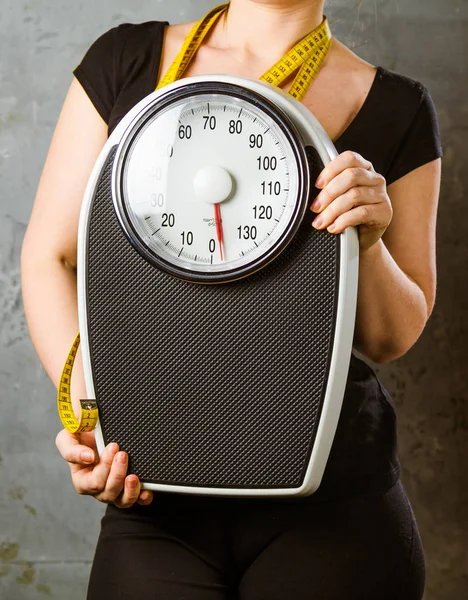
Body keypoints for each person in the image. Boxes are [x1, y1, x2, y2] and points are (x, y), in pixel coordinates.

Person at [20, 1, 442, 598]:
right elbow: (50, 260)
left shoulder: (397, 106)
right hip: (157, 490)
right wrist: (96, 414)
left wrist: (368, 245)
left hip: (333, 497)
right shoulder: (126, 60)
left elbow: (389, 338)